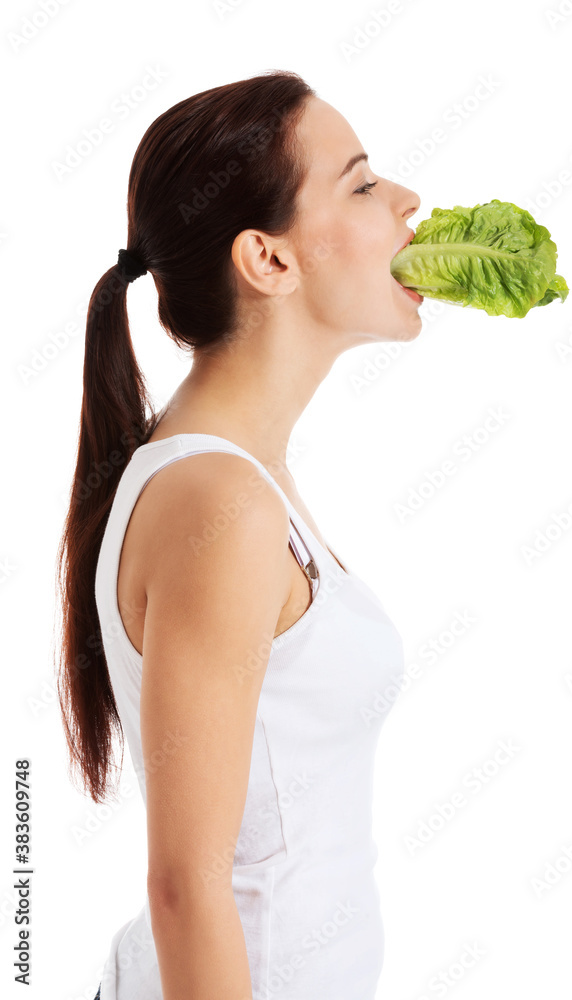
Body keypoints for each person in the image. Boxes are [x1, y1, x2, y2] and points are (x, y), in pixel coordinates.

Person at [55, 68, 422, 1000]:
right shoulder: (221, 502)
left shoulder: (241, 478)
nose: (409, 202)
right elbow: (185, 888)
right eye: (363, 183)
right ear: (267, 260)